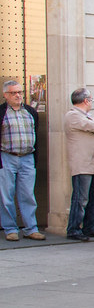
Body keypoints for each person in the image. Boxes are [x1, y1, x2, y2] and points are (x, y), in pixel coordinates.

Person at [0, 80, 44, 241]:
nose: (18, 95)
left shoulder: (31, 112)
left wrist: (34, 159)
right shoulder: (2, 112)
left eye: (19, 92)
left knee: (27, 195)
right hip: (7, 157)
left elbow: (36, 136)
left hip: (27, 158)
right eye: (13, 93)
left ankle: (31, 229)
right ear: (6, 95)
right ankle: (10, 229)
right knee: (6, 196)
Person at [64, 88, 94, 241]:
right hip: (82, 165)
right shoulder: (73, 115)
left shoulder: (87, 116)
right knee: (80, 199)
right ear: (86, 100)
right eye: (91, 100)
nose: (91, 103)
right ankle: (74, 229)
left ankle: (90, 228)